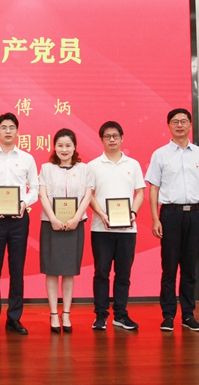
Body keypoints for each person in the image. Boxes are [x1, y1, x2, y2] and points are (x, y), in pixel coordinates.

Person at [145, 108, 199, 332]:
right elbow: (153, 189)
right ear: (168, 126)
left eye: (184, 121)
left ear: (190, 125)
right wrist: (155, 218)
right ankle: (168, 315)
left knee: (189, 267)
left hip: (195, 214)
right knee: (169, 266)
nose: (180, 125)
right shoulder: (160, 154)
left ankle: (188, 315)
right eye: (175, 122)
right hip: (170, 214)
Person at [0, 113, 39, 335]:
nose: (8, 131)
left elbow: (35, 188)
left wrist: (24, 203)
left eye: (12, 127)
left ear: (17, 131)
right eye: (4, 127)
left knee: (17, 269)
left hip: (19, 219)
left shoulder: (27, 158)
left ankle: (14, 318)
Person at [88, 121, 145, 331]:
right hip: (101, 228)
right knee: (101, 273)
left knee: (123, 274)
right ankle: (100, 315)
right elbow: (89, 195)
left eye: (115, 136)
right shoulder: (93, 165)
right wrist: (101, 214)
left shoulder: (133, 164)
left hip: (127, 229)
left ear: (122, 138)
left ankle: (120, 314)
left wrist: (133, 213)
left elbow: (140, 192)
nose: (111, 139)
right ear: (101, 139)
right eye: (107, 136)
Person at [38, 128, 94, 334]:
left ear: (74, 147)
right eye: (60, 145)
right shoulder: (46, 168)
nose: (64, 149)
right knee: (52, 270)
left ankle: (67, 313)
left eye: (68, 145)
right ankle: (54, 313)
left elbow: (87, 196)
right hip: (50, 224)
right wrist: (53, 218)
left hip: (75, 225)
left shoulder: (85, 169)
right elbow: (42, 195)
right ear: (54, 147)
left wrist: (76, 218)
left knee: (69, 271)